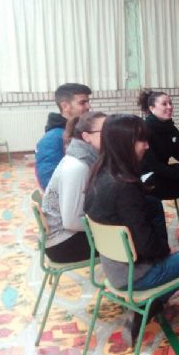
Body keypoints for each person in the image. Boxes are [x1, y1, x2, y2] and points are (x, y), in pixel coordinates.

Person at [84, 114, 179, 346]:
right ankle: (147, 306)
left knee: (152, 203)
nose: (147, 146)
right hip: (135, 275)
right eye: (142, 140)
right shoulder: (124, 187)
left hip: (113, 268)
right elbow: (146, 245)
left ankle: (146, 307)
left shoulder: (98, 173)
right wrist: (164, 251)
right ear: (124, 144)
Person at [41, 111, 106, 263]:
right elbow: (72, 222)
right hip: (63, 244)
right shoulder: (78, 166)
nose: (112, 135)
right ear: (86, 137)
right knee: (130, 240)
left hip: (67, 235)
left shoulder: (83, 156)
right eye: (106, 131)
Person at [138, 90, 179, 238]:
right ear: (152, 108)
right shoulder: (145, 130)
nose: (169, 107)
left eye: (170, 103)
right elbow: (154, 166)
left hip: (163, 175)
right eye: (164, 104)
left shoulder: (171, 128)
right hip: (146, 179)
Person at [35, 83, 92, 189]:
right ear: (65, 106)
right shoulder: (52, 138)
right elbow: (49, 182)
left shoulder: (81, 130)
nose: (89, 107)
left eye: (88, 102)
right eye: (83, 103)